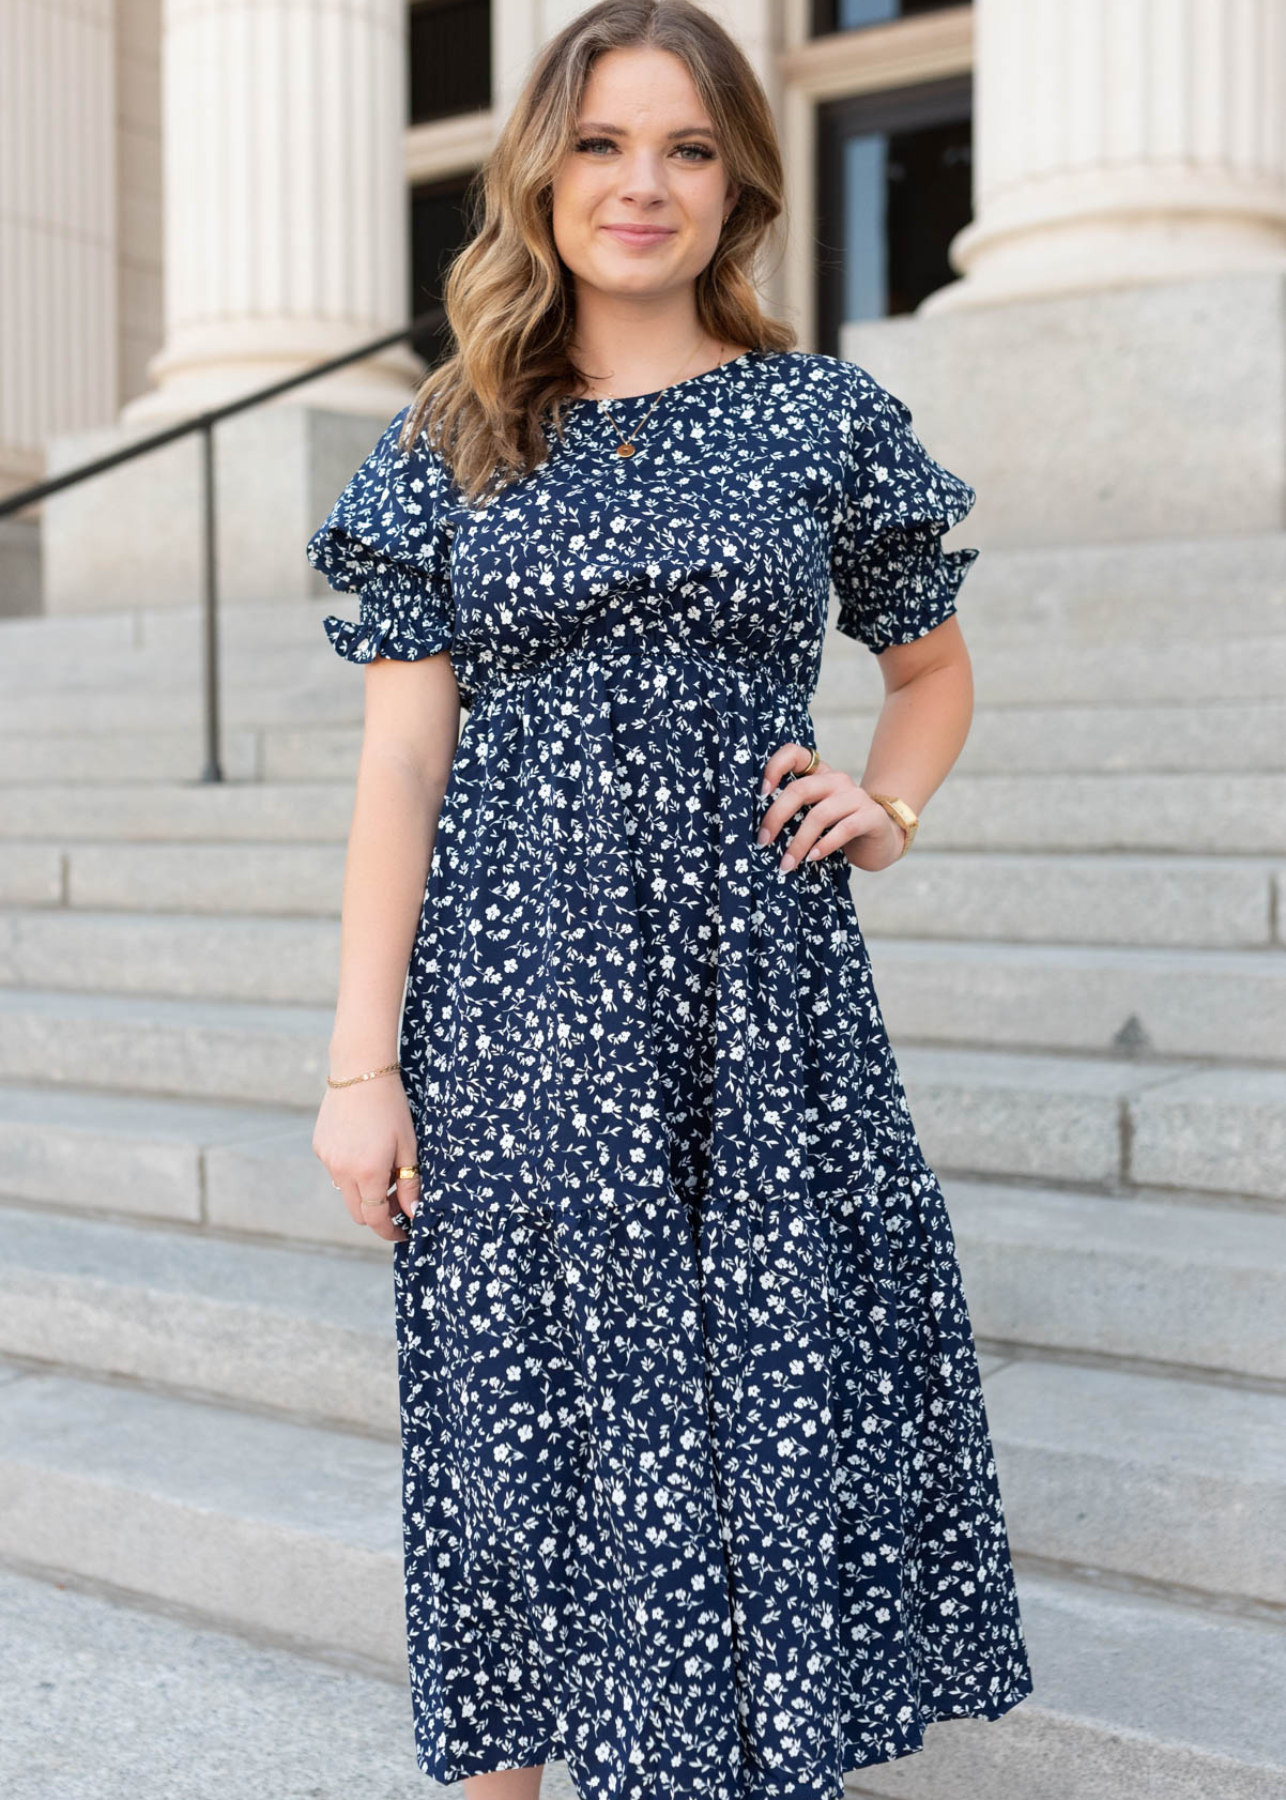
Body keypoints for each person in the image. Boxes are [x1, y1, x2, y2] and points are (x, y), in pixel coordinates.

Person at [308, 3, 1033, 1797]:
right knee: (515, 1420)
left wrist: (892, 804)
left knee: (748, 1413)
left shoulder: (817, 416)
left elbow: (928, 671)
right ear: (542, 168)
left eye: (689, 147)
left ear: (739, 182)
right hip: (506, 995)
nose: (644, 185)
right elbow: (400, 767)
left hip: (753, 994)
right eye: (606, 142)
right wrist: (357, 1065)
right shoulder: (455, 434)